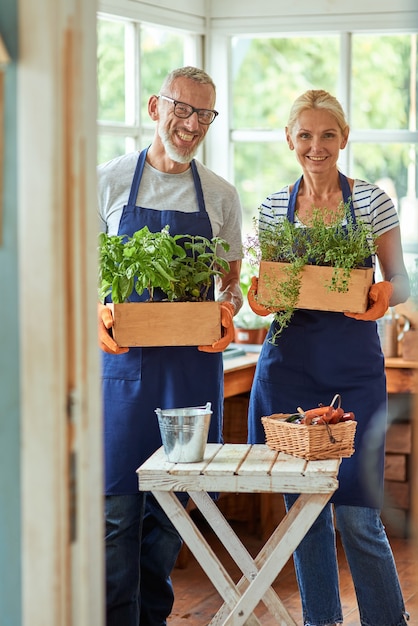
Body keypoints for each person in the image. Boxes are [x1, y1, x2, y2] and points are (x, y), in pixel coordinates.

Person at [247, 89, 411, 626]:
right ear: (290, 139)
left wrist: (384, 297)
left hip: (354, 370)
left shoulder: (370, 202)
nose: (316, 147)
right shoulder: (274, 206)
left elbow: (400, 280)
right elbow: (265, 293)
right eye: (305, 135)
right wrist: (256, 298)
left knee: (360, 514)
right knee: (304, 515)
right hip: (287, 366)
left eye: (328, 135)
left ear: (343, 139)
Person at [97, 66, 243, 626]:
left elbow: (230, 282)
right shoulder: (108, 181)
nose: (191, 124)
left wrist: (227, 311)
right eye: (182, 109)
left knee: (170, 515)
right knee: (116, 514)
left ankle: (152, 619)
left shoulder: (221, 195)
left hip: (189, 370)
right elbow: (78, 272)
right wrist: (96, 311)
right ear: (156, 107)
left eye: (204, 114)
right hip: (123, 371)